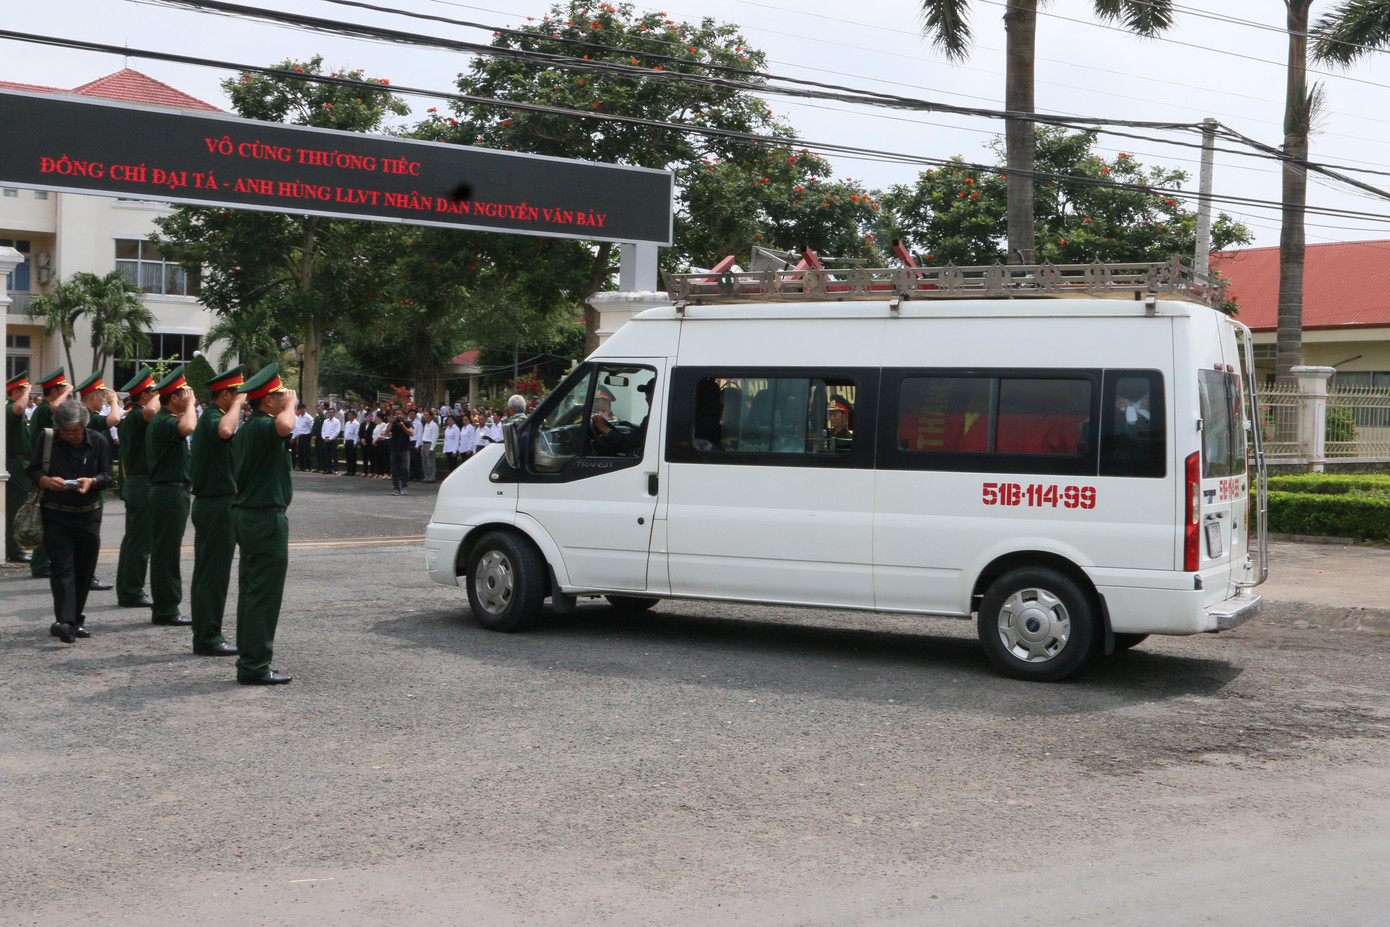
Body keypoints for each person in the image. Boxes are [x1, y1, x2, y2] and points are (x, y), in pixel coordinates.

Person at [231, 364, 297, 685]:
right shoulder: (261, 426)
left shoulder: (250, 427)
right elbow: (286, 425)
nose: (284, 397)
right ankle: (255, 665)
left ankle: (249, 657)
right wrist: (292, 405)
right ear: (267, 401)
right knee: (263, 594)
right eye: (278, 395)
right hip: (265, 517)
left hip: (252, 514)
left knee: (252, 590)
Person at [29, 399, 112, 643]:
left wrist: (93, 481)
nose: (70, 436)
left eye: (74, 432)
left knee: (84, 569)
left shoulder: (98, 441)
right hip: (57, 513)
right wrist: (46, 481)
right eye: (65, 432)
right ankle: (64, 621)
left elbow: (108, 474)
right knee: (62, 568)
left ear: (83, 427)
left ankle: (75, 619)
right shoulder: (47, 440)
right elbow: (33, 471)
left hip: (89, 514)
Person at [188, 365, 245, 658]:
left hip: (213, 503)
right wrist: (236, 405)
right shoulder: (214, 417)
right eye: (238, 396)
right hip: (216, 504)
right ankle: (209, 636)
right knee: (213, 574)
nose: (243, 402)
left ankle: (205, 633)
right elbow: (226, 430)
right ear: (226, 395)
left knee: (208, 572)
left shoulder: (211, 416)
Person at [145, 366, 196, 628]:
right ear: (174, 398)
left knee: (166, 550)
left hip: (170, 491)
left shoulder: (163, 420)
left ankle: (166, 606)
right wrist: (191, 405)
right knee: (166, 552)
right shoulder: (165, 421)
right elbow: (188, 426)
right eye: (183, 394)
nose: (189, 397)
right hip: (168, 492)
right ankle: (166, 608)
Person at [73, 372, 122, 590]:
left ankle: (81, 574)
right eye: (101, 396)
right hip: (90, 478)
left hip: (85, 476)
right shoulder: (85, 414)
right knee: (89, 532)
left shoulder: (80, 412)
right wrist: (114, 403)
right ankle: (86, 576)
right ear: (92, 396)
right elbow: (114, 419)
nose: (103, 400)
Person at [114, 368, 157, 608]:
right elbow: (151, 410)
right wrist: (166, 392)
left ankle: (128, 589)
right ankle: (131, 591)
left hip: (136, 481)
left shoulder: (132, 416)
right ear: (144, 396)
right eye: (153, 391)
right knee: (140, 542)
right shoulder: (138, 415)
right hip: (141, 483)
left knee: (133, 539)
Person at [6, 373, 34, 564]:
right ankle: (13, 549)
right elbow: (19, 406)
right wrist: (27, 392)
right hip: (15, 464)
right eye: (24, 392)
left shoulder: (19, 412)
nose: (29, 396)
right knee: (15, 509)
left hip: (21, 463)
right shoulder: (10, 408)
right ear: (15, 392)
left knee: (19, 507)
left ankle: (14, 547)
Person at [591, 380, 652, 456]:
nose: (646, 399)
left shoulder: (654, 421)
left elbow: (630, 442)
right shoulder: (653, 419)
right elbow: (638, 436)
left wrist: (605, 429)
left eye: (648, 396)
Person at [388, 410, 413, 495]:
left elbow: (411, 433)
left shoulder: (408, 423)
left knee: (405, 468)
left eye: (400, 414)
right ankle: (396, 488)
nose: (398, 416)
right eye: (396, 414)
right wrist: (392, 422)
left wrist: (403, 426)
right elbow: (386, 433)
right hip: (394, 449)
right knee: (394, 470)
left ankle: (404, 487)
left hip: (404, 449)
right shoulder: (393, 424)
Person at [291, 403, 313, 471]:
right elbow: (297, 427)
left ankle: (308, 467)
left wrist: (310, 436)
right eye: (300, 409)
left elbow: (311, 427)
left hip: (306, 436)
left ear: (305, 409)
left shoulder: (309, 417)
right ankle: (301, 466)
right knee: (300, 452)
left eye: (302, 409)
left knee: (306, 452)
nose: (301, 410)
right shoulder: (299, 417)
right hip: (300, 436)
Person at [420, 408, 439, 483]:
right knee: (425, 462)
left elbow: (435, 437)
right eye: (424, 415)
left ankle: (431, 477)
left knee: (430, 462)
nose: (425, 416)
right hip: (425, 443)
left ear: (431, 416)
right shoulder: (426, 425)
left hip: (430, 444)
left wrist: (432, 448)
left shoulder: (434, 425)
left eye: (427, 415)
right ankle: (426, 477)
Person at [320, 406, 341, 474]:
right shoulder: (325, 421)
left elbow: (337, 431)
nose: (330, 414)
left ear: (334, 413)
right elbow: (323, 430)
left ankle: (336, 469)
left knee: (334, 455)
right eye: (329, 412)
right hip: (326, 439)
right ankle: (328, 469)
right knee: (327, 455)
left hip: (333, 440)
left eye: (331, 412)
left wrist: (330, 438)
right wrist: (324, 437)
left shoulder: (337, 421)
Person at [342, 410, 360, 476]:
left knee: (353, 457)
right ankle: (348, 470)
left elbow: (356, 434)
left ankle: (353, 471)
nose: (350, 416)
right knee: (348, 457)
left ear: (354, 416)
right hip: (347, 441)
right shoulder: (347, 423)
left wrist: (355, 442)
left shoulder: (356, 424)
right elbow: (345, 433)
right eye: (349, 415)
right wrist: (344, 441)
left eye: (351, 415)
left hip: (352, 442)